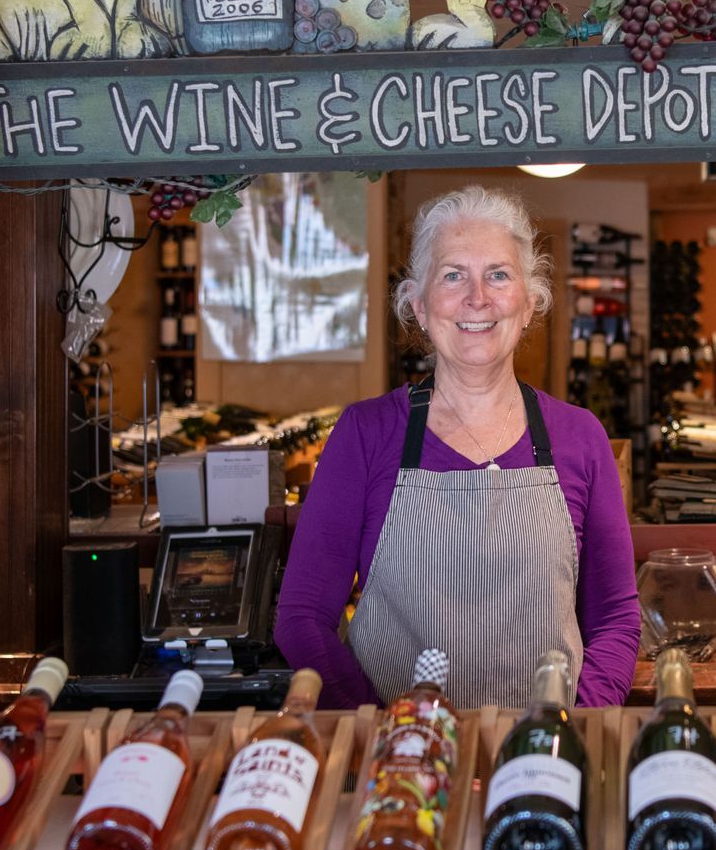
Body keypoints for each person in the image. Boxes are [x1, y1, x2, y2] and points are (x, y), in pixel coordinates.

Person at [274, 185, 641, 708]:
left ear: (529, 302)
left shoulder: (580, 437)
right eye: (453, 275)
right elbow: (302, 620)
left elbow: (616, 619)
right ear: (420, 306)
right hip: (396, 772)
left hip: (543, 762)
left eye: (498, 274)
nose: (478, 298)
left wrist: (573, 732)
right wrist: (383, 735)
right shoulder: (366, 433)